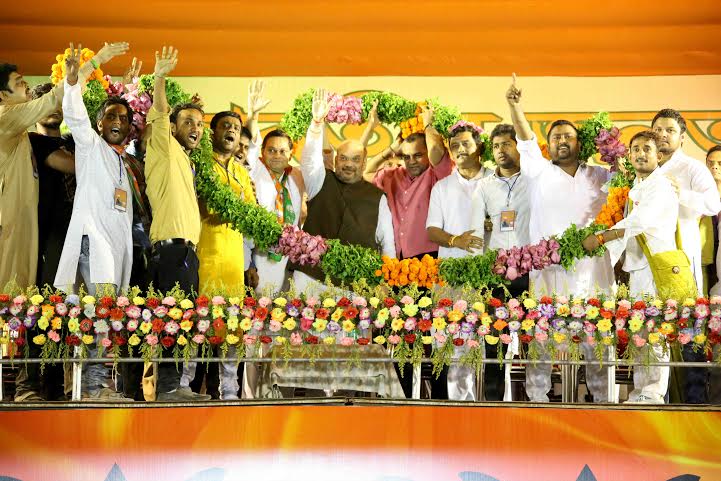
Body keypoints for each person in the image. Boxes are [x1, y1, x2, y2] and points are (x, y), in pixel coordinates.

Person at [506, 74, 614, 403]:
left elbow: (627, 194)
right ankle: (538, 399)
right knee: (541, 337)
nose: (561, 141)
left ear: (581, 143)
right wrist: (515, 106)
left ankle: (602, 401)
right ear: (548, 145)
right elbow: (525, 139)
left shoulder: (601, 175)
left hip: (592, 271)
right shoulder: (538, 172)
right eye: (555, 137)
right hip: (547, 269)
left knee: (596, 339)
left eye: (568, 136)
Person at [582, 130, 696, 403]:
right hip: (639, 269)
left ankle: (653, 394)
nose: (641, 153)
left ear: (659, 156)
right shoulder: (637, 185)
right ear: (629, 155)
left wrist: (601, 238)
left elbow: (641, 221)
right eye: (635, 149)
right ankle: (640, 391)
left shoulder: (661, 185)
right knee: (639, 330)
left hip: (656, 269)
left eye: (647, 149)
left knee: (655, 331)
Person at [52, 43, 135, 402]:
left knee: (107, 313)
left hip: (116, 247)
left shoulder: (124, 163)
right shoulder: (89, 145)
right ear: (100, 123)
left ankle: (98, 384)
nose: (117, 122)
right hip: (93, 244)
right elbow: (75, 117)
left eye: (124, 118)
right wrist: (74, 82)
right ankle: (95, 386)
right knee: (100, 312)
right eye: (111, 117)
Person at [144, 46, 209, 402]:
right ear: (171, 127)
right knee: (174, 319)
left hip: (186, 252)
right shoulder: (163, 147)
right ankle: (169, 388)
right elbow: (157, 113)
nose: (196, 129)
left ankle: (175, 385)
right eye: (187, 122)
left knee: (182, 320)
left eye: (199, 124)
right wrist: (160, 78)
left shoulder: (185, 159)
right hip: (171, 251)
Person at [180, 110, 257, 400]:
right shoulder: (199, 163)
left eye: (236, 127)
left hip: (234, 262)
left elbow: (250, 215)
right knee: (199, 324)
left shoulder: (241, 171)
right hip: (205, 255)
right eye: (225, 125)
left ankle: (229, 391)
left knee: (231, 328)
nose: (231, 131)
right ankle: (184, 387)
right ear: (212, 133)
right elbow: (202, 206)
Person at [291, 89, 395, 292]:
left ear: (364, 163)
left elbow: (387, 242)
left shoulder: (378, 197)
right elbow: (309, 160)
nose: (349, 164)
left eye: (355, 159)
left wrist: (386, 279)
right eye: (344, 158)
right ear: (336, 160)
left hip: (355, 284)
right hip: (310, 277)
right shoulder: (319, 180)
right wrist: (316, 125)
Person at [425, 121, 490, 401]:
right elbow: (431, 230)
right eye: (455, 146)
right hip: (450, 272)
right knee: (450, 341)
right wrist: (455, 241)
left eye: (466, 143)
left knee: (488, 341)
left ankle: (486, 407)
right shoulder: (442, 187)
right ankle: (453, 407)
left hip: (489, 275)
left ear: (480, 148)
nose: (460, 150)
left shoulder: (496, 180)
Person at [470, 123, 529, 401]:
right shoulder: (483, 186)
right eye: (495, 146)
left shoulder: (534, 180)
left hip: (532, 271)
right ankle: (492, 400)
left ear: (519, 146)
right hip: (496, 274)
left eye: (506, 144)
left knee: (532, 340)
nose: (500, 150)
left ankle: (533, 400)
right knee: (493, 340)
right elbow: (473, 229)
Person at [0, 62, 64, 290]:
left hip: (23, 225)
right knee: (9, 295)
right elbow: (51, 100)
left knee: (22, 295)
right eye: (18, 83)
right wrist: (90, 67)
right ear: (2, 95)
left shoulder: (20, 131)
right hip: (8, 225)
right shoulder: (5, 117)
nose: (26, 85)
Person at [243, 81, 312, 293]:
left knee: (284, 317)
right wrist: (253, 115)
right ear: (263, 151)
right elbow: (251, 141)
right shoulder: (255, 169)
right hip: (259, 255)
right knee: (256, 315)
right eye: (272, 150)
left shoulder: (296, 177)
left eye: (283, 151)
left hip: (288, 258)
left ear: (291, 154)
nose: (277, 155)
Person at [366, 104, 452, 261]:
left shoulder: (438, 175)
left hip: (431, 259)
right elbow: (366, 173)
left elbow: (436, 150)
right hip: (397, 260)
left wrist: (428, 126)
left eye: (418, 155)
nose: (411, 161)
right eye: (406, 156)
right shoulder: (393, 176)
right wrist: (391, 149)